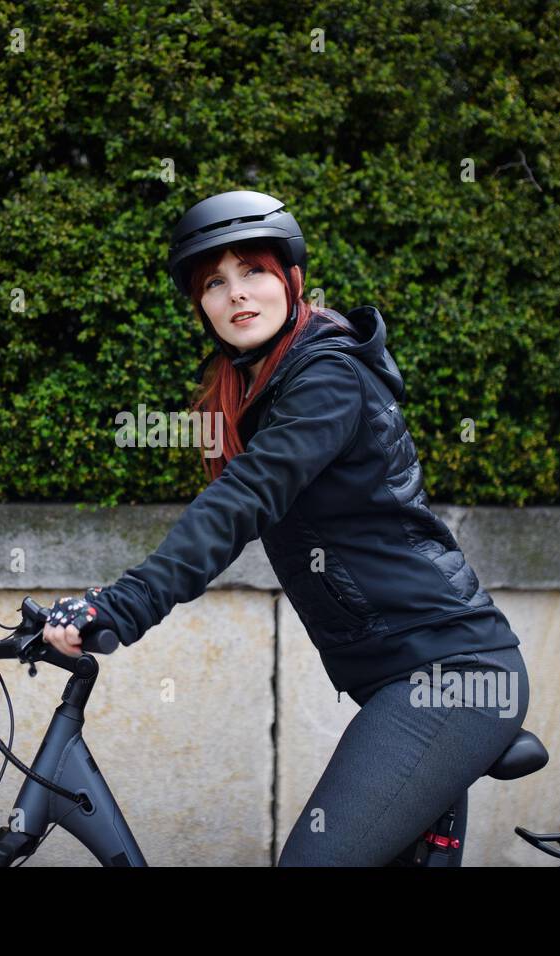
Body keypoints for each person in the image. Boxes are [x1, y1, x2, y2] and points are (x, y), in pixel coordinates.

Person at [41, 190, 531, 866]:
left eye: (255, 272)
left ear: (291, 280)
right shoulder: (256, 388)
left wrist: (119, 606)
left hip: (451, 676)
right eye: (215, 282)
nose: (236, 294)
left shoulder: (327, 377)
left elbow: (243, 500)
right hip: (400, 678)